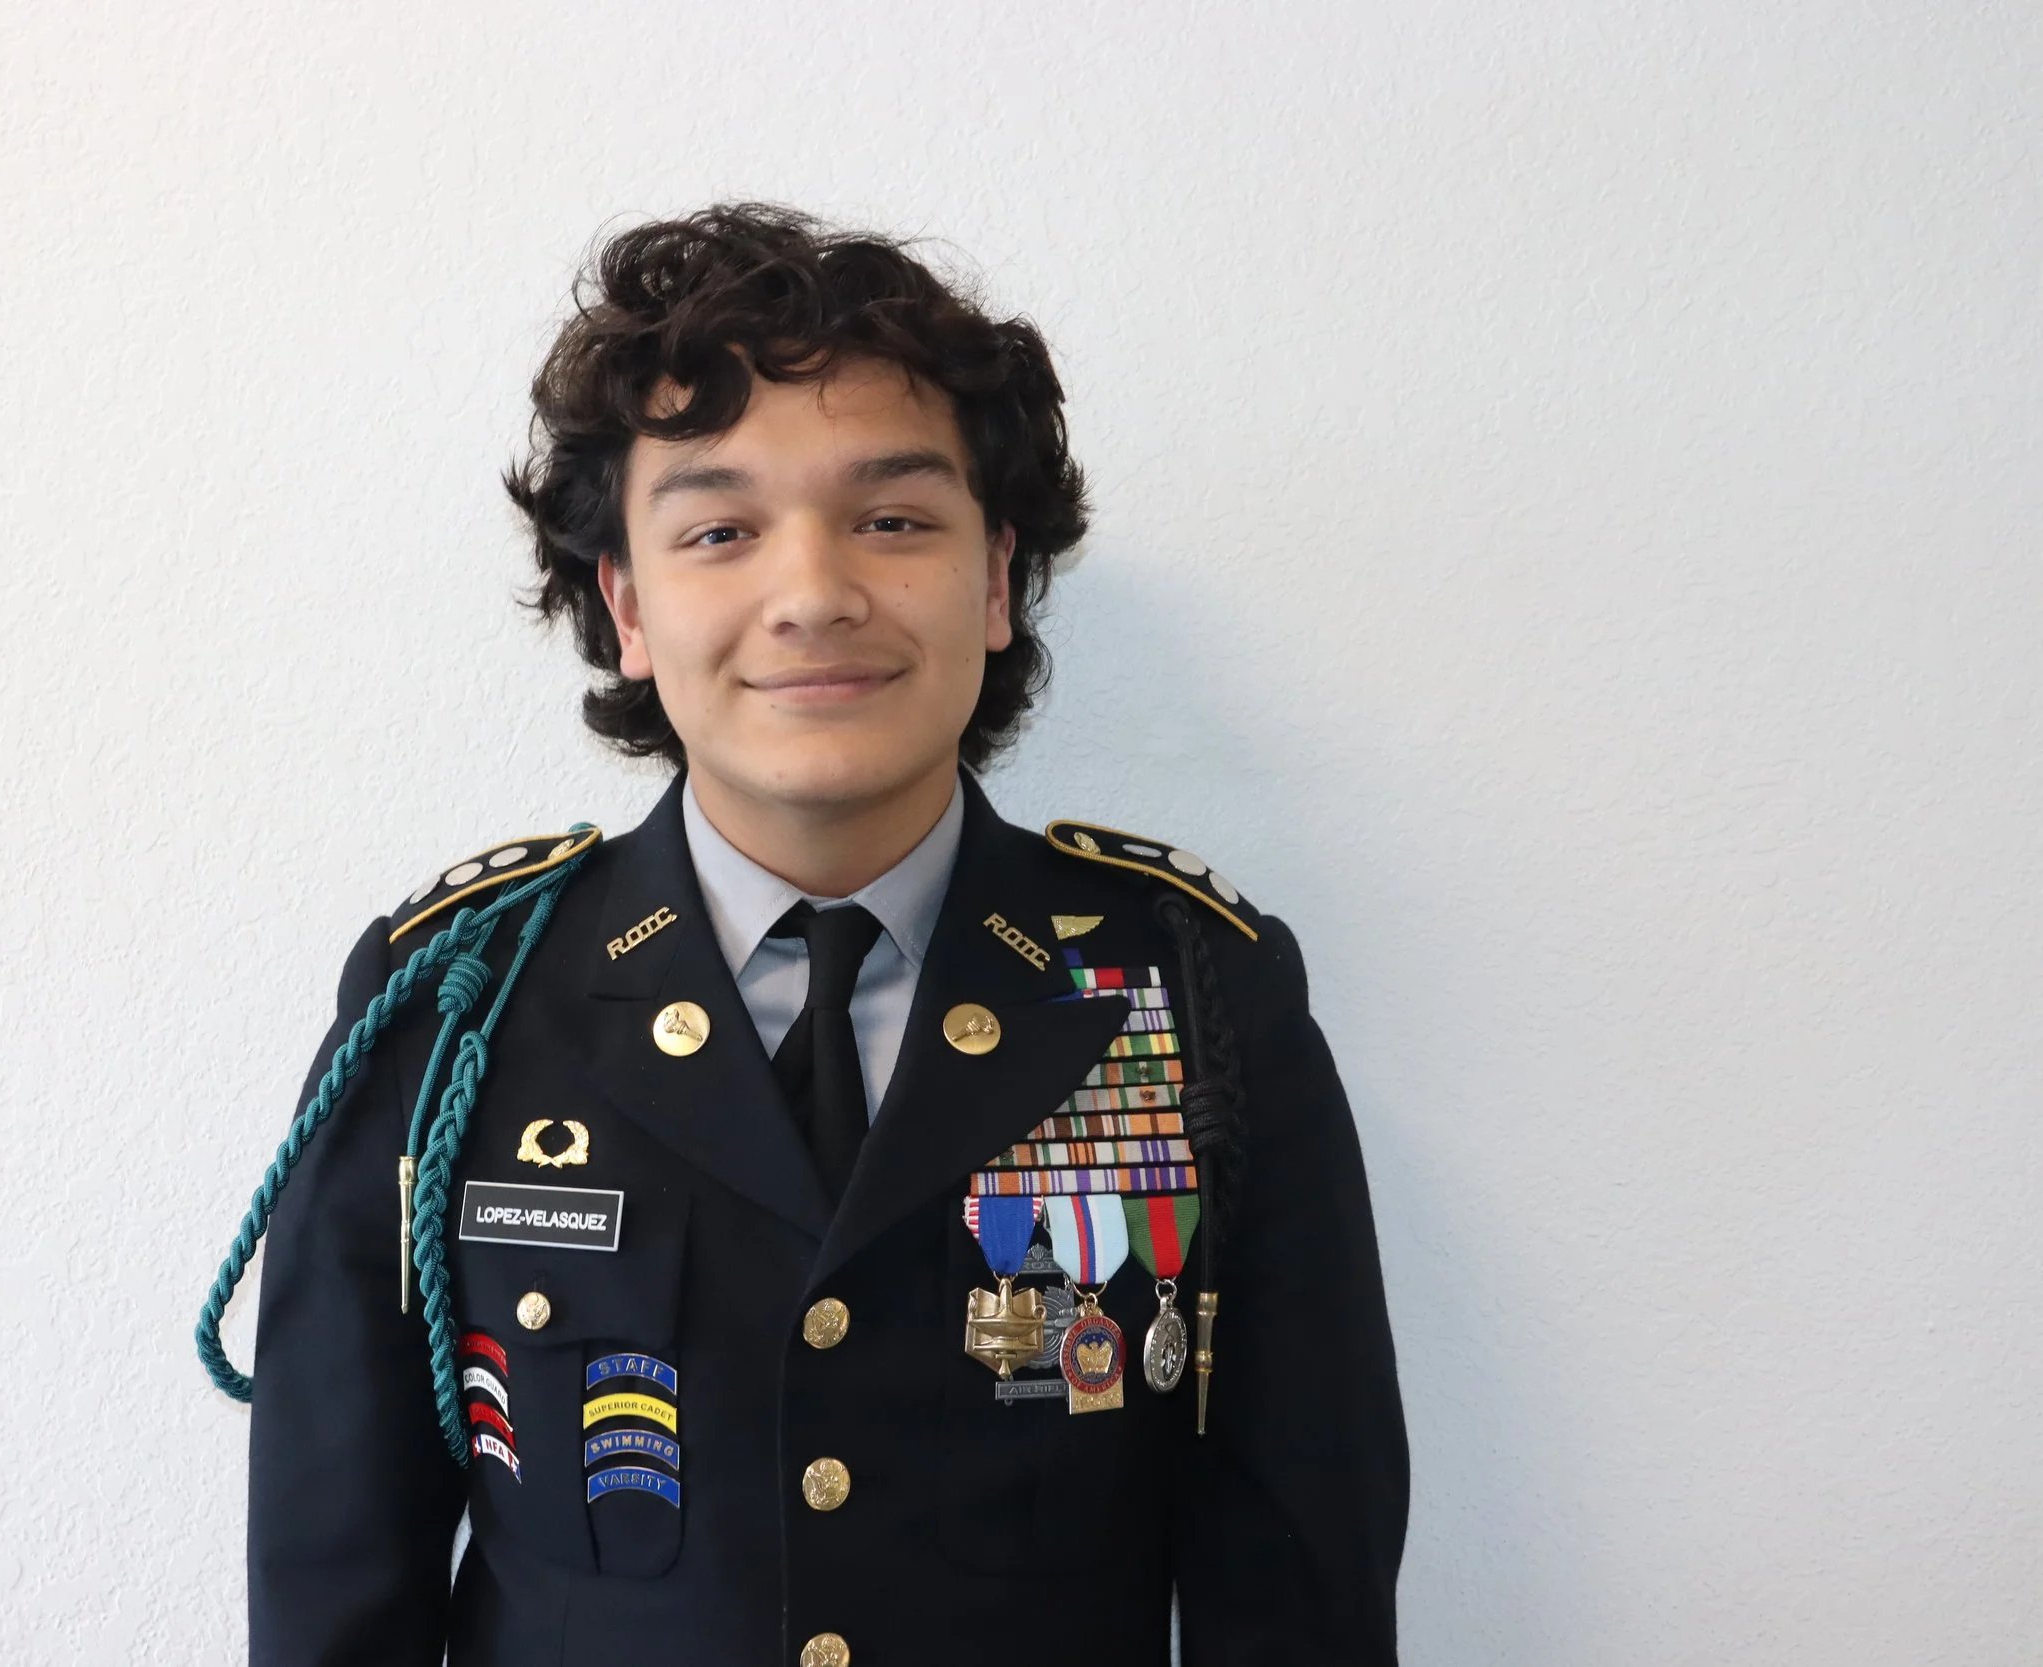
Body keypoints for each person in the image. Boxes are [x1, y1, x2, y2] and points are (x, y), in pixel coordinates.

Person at [216, 203, 1408, 1667]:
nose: (814, 594)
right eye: (720, 529)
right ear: (629, 603)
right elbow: (338, 1594)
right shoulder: (456, 1008)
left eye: (893, 518)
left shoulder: (1187, 995)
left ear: (993, 581)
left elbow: (1300, 1592)